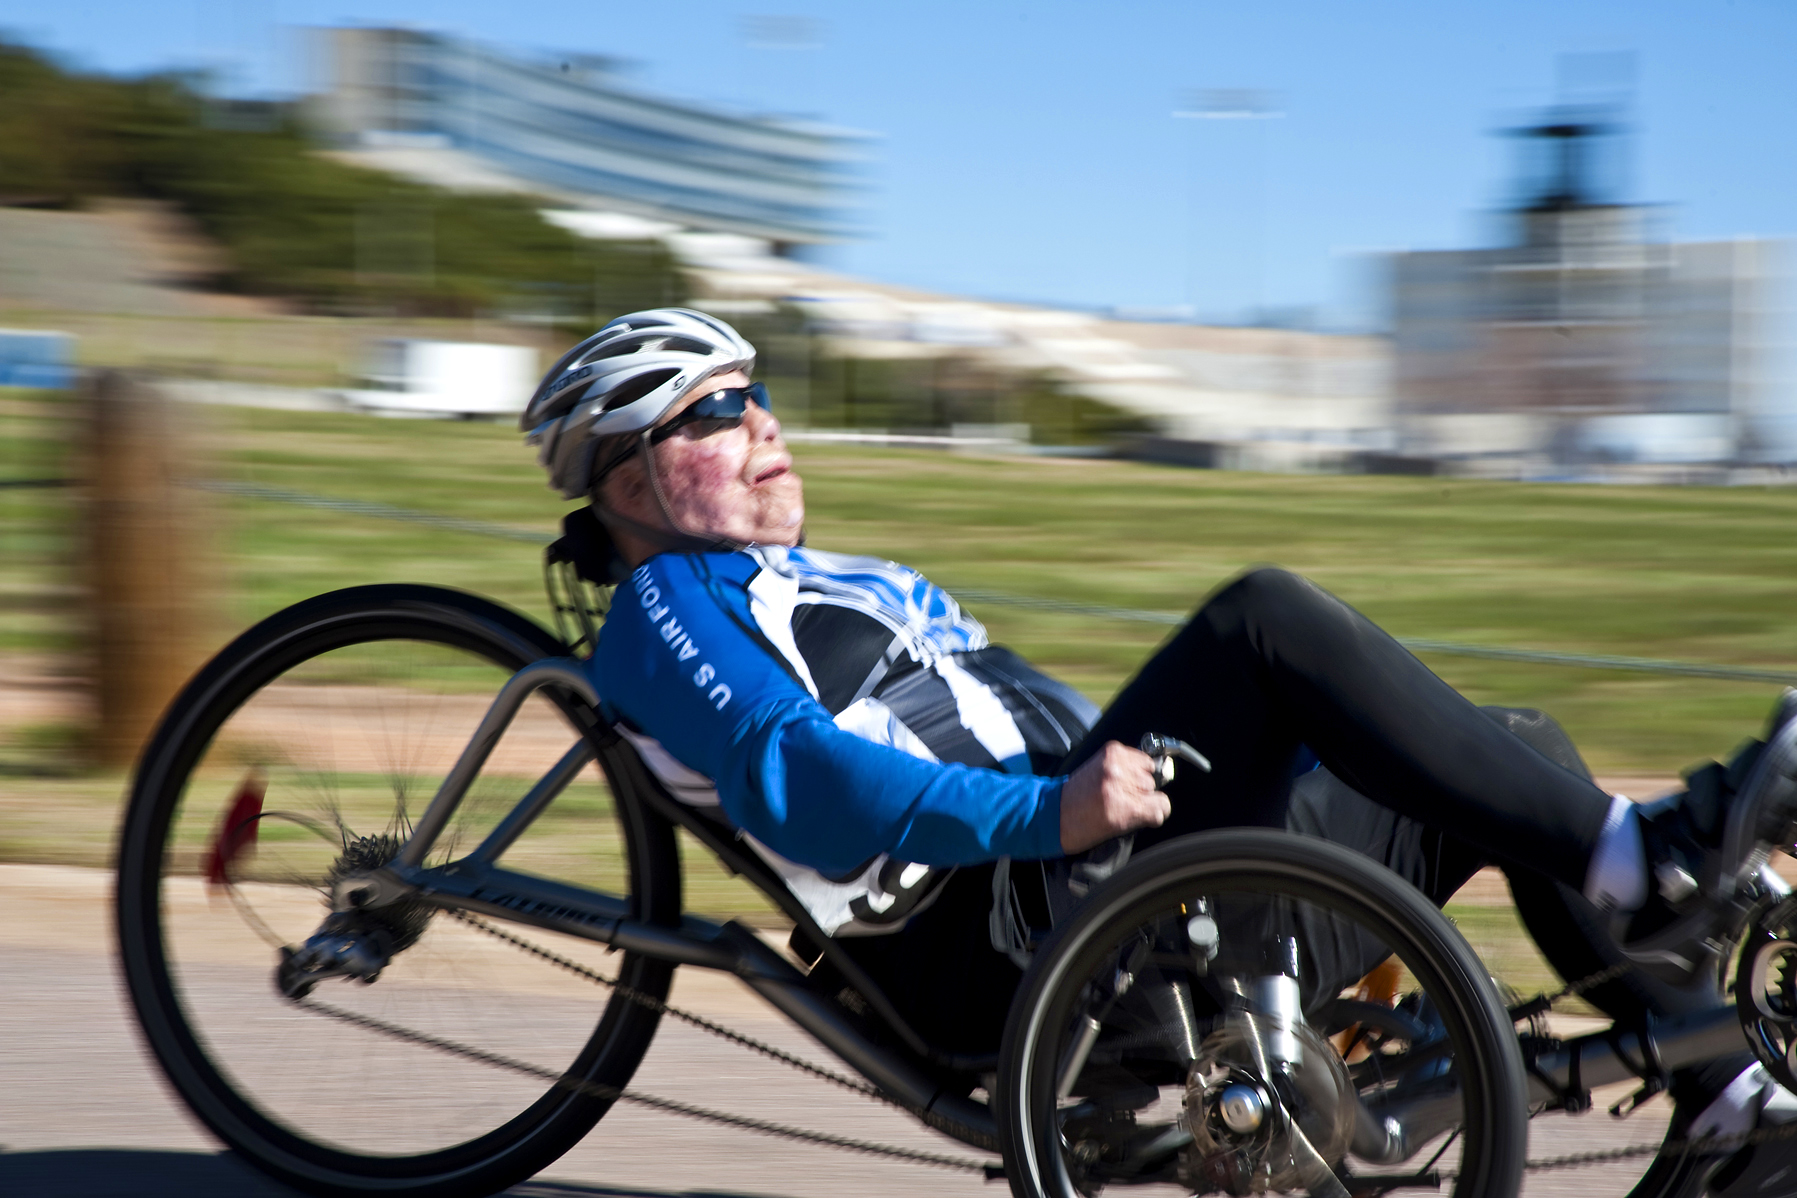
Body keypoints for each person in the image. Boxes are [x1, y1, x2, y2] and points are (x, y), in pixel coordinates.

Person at [523, 309, 1797, 1195]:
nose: (763, 421)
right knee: (1263, 620)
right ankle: (1657, 861)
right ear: (630, 485)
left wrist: (1138, 781)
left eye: (760, 391)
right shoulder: (669, 606)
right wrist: (1054, 816)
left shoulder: (825, 573)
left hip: (1106, 872)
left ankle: (1732, 1095)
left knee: (1516, 752)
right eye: (718, 409)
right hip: (1013, 931)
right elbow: (800, 778)